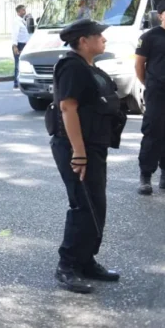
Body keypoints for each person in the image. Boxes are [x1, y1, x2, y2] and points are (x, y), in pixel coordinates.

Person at [49, 19, 124, 294]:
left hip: (93, 145)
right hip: (76, 147)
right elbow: (68, 109)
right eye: (99, 36)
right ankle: (67, 266)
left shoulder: (88, 66)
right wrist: (78, 153)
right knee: (84, 206)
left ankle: (85, 260)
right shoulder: (72, 67)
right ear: (83, 41)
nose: (104, 40)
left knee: (96, 206)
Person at [134, 0, 165, 195]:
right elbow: (139, 65)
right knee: (153, 134)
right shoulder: (150, 37)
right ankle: (146, 176)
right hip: (158, 93)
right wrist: (149, 85)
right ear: (160, 15)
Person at [12, 4, 30, 89]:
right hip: (19, 44)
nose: (25, 11)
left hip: (24, 44)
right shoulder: (16, 21)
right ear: (18, 11)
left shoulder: (22, 20)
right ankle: (16, 82)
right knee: (18, 64)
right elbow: (15, 34)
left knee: (23, 64)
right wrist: (15, 46)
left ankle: (21, 82)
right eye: (23, 10)